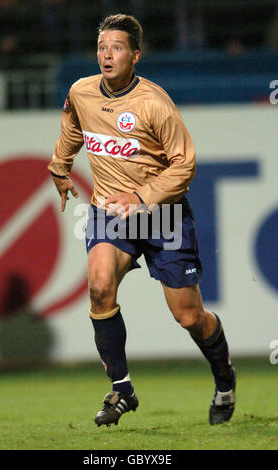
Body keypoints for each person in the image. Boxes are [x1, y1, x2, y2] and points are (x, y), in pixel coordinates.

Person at [48, 14, 236, 427]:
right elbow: (73, 125)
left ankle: (224, 377)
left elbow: (184, 166)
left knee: (189, 316)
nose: (107, 55)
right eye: (102, 47)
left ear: (135, 55)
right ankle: (122, 389)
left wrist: (140, 196)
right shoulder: (81, 91)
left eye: (116, 48)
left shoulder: (154, 103)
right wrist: (60, 167)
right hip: (109, 214)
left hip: (162, 215)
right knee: (99, 287)